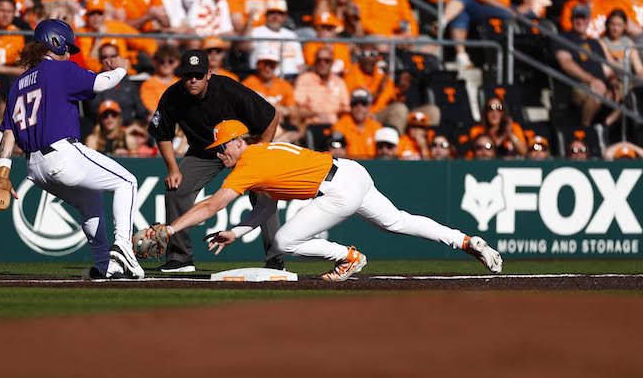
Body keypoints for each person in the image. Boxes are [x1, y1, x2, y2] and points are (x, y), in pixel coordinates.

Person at [141, 119, 503, 282]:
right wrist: (237, 232)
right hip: (350, 171)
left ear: (238, 142)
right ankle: (466, 241)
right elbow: (266, 206)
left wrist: (170, 229)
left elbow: (211, 205)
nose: (220, 155)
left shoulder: (248, 164)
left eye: (222, 148)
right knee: (397, 221)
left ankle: (349, 258)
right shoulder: (262, 153)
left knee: (284, 242)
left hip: (337, 188)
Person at [0, 19, 145, 279]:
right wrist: (121, 70)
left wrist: (2, 175)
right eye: (67, 48)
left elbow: (8, 134)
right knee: (127, 182)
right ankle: (123, 247)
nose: (69, 54)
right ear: (55, 43)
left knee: (91, 204)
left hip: (34, 168)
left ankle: (105, 265)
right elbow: (101, 83)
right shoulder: (57, 70)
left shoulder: (18, 84)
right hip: (62, 153)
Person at [147, 49, 283, 272]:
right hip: (203, 151)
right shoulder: (172, 96)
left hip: (240, 149)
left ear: (208, 74)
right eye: (189, 75)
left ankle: (276, 258)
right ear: (181, 75)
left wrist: (260, 151)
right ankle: (180, 258)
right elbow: (161, 133)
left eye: (198, 75)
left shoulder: (228, 89)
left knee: (264, 194)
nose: (193, 80)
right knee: (177, 190)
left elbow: (271, 115)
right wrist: (173, 169)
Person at [554, 5, 617, 127]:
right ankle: (586, 128)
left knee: (627, 94)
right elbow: (566, 64)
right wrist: (592, 80)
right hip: (578, 85)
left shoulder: (595, 43)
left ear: (588, 20)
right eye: (576, 18)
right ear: (571, 20)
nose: (580, 21)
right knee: (597, 93)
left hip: (602, 84)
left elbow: (607, 69)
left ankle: (604, 126)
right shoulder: (563, 38)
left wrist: (614, 84)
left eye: (583, 18)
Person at [248, 0, 304, 79]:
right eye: (272, 12)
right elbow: (242, 47)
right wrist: (249, 21)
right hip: (265, 79)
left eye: (280, 13)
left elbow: (300, 64)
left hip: (292, 78)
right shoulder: (256, 32)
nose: (275, 16)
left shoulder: (292, 35)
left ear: (285, 16)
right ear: (266, 14)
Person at [294, 46, 350, 125]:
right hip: (311, 124)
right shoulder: (304, 79)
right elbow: (297, 108)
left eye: (327, 61)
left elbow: (346, 108)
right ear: (314, 62)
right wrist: (316, 114)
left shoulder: (339, 82)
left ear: (332, 63)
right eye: (319, 60)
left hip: (335, 126)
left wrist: (333, 116)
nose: (322, 64)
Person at [331, 87, 382, 159]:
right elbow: (337, 153)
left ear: (369, 107)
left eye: (364, 104)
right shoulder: (340, 126)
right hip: (349, 164)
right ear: (350, 106)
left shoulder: (377, 127)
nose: (359, 107)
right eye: (355, 104)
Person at [139, 44, 180, 114]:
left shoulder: (181, 83)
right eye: (162, 61)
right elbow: (152, 110)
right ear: (155, 62)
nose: (166, 65)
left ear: (177, 63)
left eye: (171, 61)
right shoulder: (148, 84)